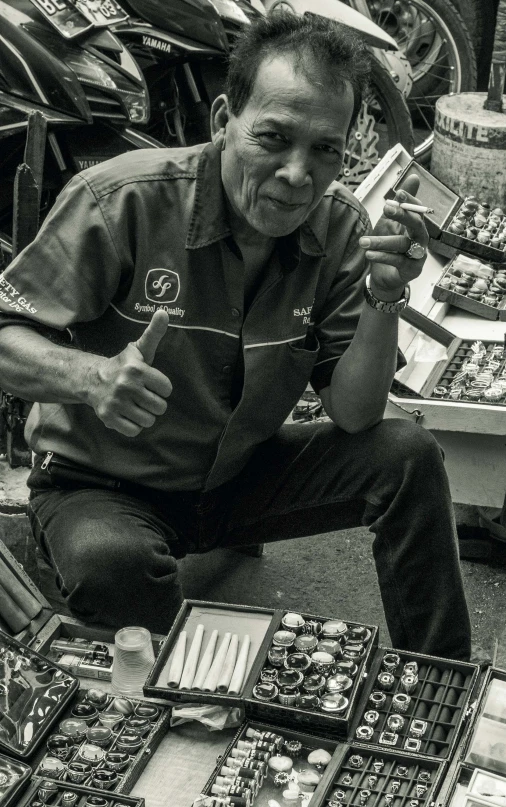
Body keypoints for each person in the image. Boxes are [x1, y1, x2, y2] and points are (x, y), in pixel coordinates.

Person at [0, 12, 471, 659]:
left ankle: (438, 680)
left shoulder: (338, 229)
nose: (297, 174)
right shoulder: (123, 201)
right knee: (114, 564)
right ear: (224, 121)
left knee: (407, 452)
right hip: (104, 489)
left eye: (325, 150)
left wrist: (384, 293)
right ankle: (181, 709)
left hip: (235, 480)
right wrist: (90, 377)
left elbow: (356, 413)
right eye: (273, 138)